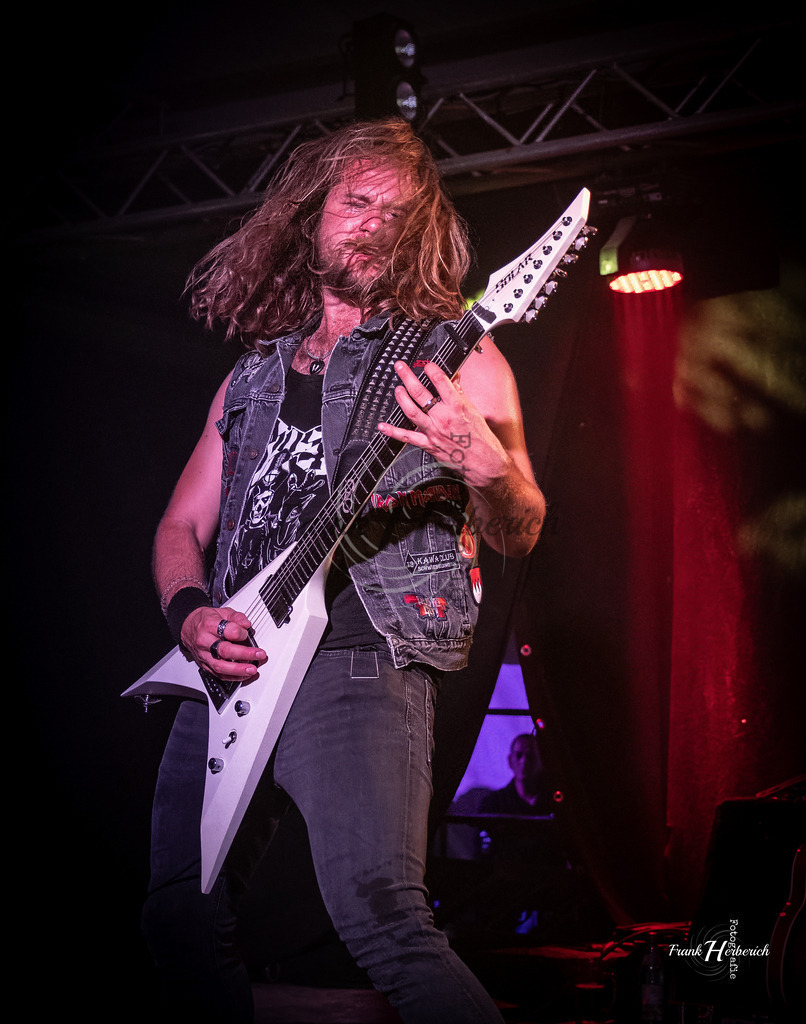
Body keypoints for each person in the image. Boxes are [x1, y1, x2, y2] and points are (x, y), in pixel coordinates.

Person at [141, 117, 546, 1024]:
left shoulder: (457, 354)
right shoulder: (252, 374)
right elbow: (179, 524)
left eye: (396, 217)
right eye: (356, 204)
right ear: (310, 214)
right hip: (230, 663)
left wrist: (483, 466)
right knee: (176, 919)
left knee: (383, 919)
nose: (372, 228)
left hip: (359, 658)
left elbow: (521, 528)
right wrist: (190, 613)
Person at [480, 733, 551, 815]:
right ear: (510, 761)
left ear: (541, 761)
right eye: (519, 755)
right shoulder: (493, 804)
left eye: (530, 756)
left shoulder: (553, 800)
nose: (524, 761)